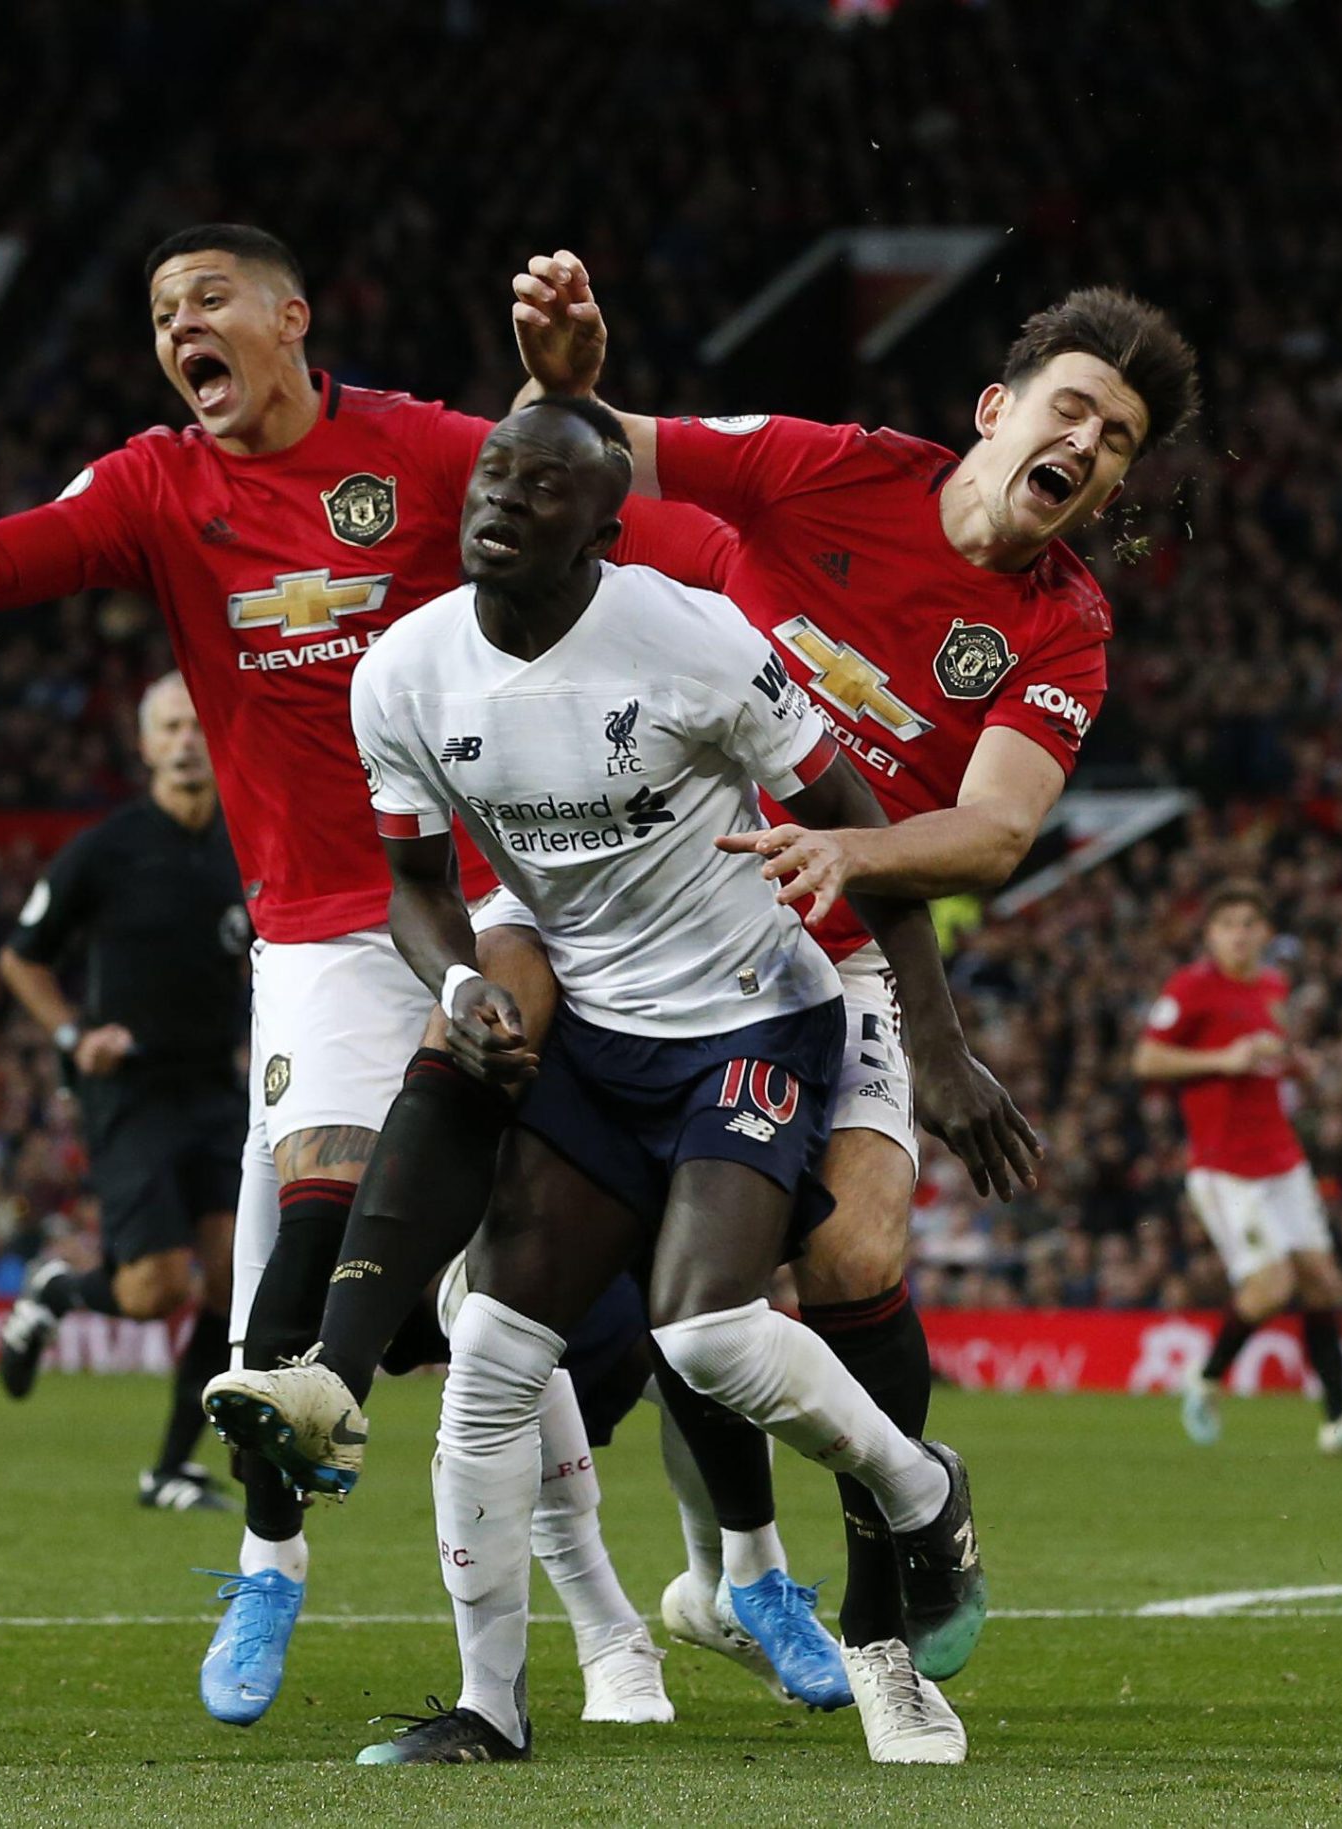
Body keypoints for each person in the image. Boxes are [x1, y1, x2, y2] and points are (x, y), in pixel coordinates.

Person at [229, 257, 1196, 1761]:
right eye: (1076, 408)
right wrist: (568, 370)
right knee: (508, 1099)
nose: (1091, 447)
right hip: (637, 886)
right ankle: (378, 1408)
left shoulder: (1060, 625)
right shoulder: (839, 470)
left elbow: (994, 835)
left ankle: (883, 1616)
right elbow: (601, 451)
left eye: (1121, 440)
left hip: (832, 947)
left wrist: (902, 964)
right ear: (1000, 412)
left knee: (847, 1250)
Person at [0, 222, 708, 1727]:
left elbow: (582, 505)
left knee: (508, 1292)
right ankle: (274, 1567)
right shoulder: (160, 482)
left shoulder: (420, 450)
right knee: (316, 1207)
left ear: (292, 316)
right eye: (161, 312)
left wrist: (566, 395)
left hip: (485, 899)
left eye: (208, 299)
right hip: (313, 926)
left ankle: (616, 1623)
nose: (180, 327)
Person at [342, 399, 1013, 1766]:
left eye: (542, 485)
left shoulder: (698, 639)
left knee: (702, 1334)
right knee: (487, 1354)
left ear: (603, 528)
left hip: (753, 1018)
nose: (502, 498)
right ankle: (489, 1705)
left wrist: (936, 1046)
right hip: (594, 1032)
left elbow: (859, 830)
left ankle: (910, 1482)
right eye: (491, 473)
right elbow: (415, 887)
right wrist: (460, 985)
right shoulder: (401, 670)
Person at [0, 674, 245, 1513]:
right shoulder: (105, 849)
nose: (185, 742)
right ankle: (58, 1290)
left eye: (198, 726)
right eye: (170, 727)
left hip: (217, 1083)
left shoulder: (246, 842)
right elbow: (22, 955)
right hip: (130, 1092)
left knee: (232, 1277)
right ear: (144, 747)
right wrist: (73, 1035)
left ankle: (169, 1466)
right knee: (153, 1291)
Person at [1132, 881, 1342, 1455]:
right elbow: (1146, 1058)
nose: (1240, 934)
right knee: (1272, 1286)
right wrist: (1222, 1059)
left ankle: (1339, 1420)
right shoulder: (1191, 988)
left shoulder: (1273, 986)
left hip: (1282, 1157)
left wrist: (1297, 1064)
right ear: (1211, 935)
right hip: (1226, 1168)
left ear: (1266, 934)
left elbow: (1271, 1055)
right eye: (1229, 925)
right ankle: (1204, 1381)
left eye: (1250, 924)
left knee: (1323, 1281)